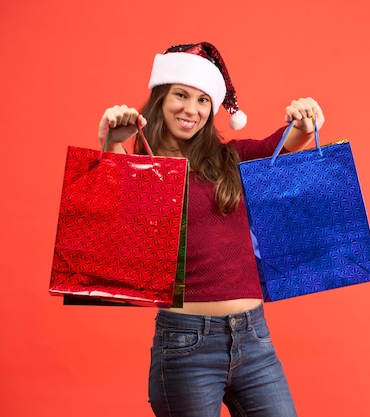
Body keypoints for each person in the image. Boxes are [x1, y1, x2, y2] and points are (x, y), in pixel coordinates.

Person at [97, 42, 324, 417]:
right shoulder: (144, 165)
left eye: (203, 100)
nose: (191, 109)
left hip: (254, 340)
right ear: (159, 99)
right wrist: (112, 139)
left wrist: (305, 122)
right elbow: (124, 207)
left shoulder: (229, 157)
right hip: (186, 346)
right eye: (181, 95)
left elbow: (283, 147)